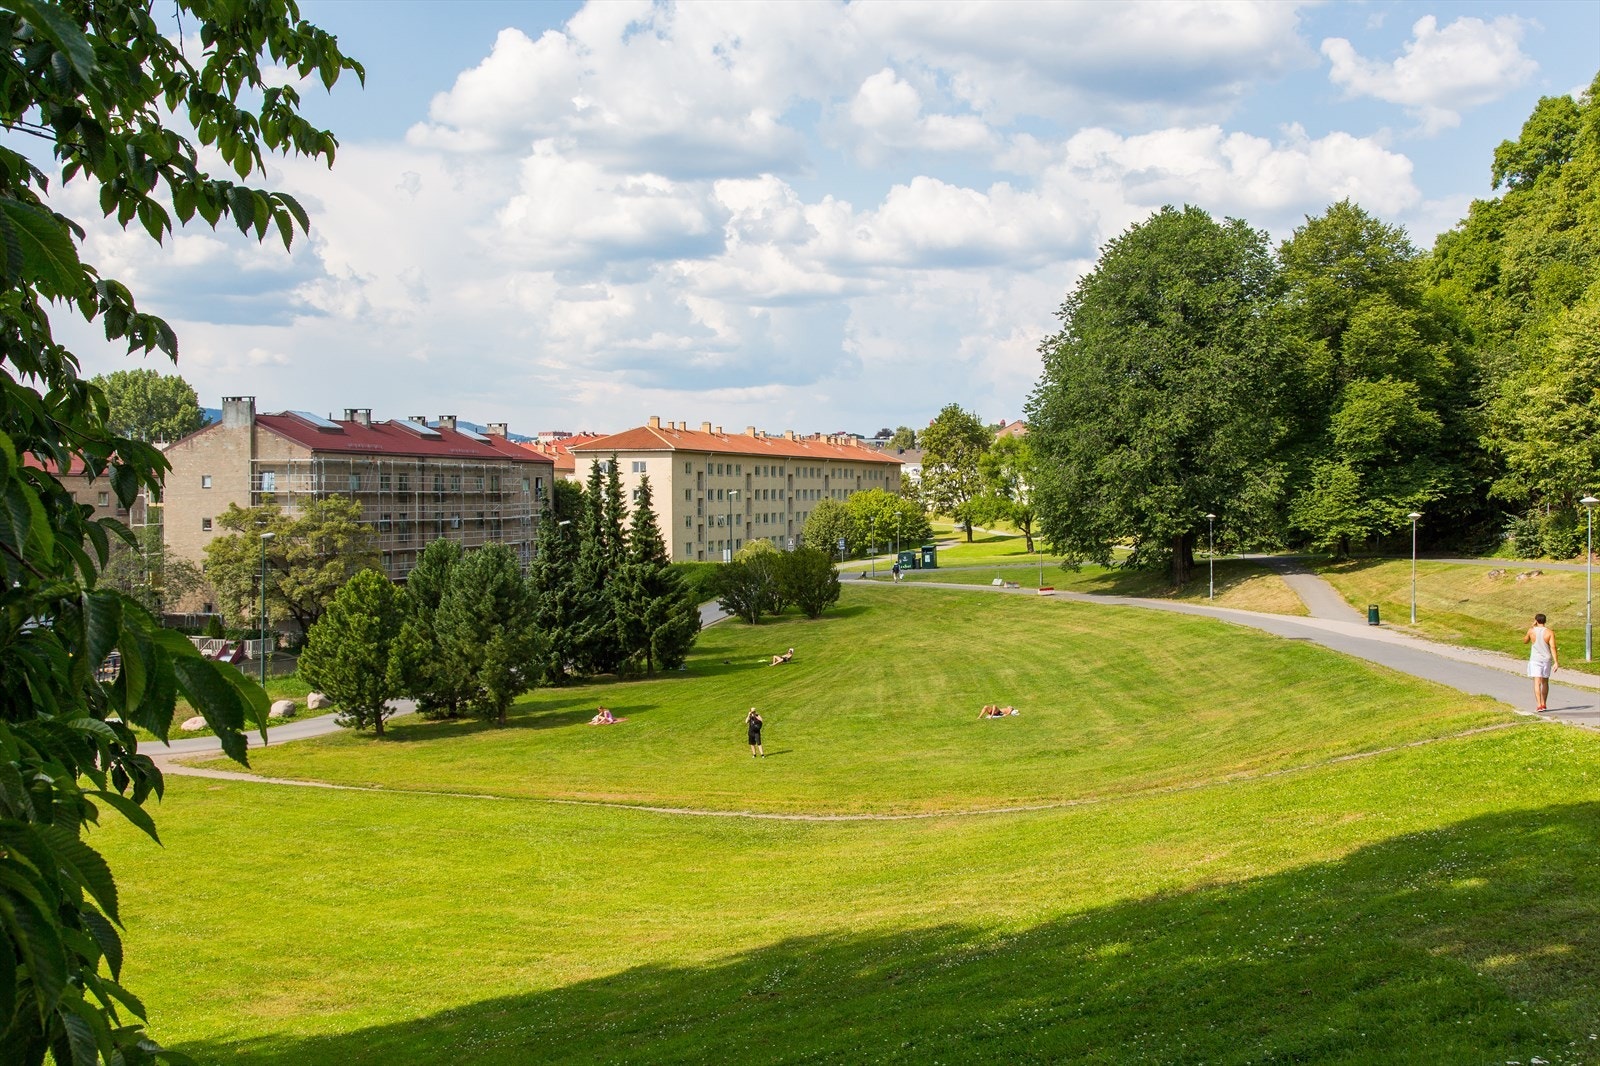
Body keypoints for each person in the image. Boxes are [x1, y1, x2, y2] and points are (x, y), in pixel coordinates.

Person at [1524, 613, 1558, 712]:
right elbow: (1553, 647)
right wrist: (1556, 661)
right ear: (1545, 621)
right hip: (1546, 659)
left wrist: (1531, 626)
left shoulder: (1531, 631)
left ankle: (1539, 704)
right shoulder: (1549, 632)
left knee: (1537, 682)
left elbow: (1525, 641)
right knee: (1545, 682)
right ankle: (1544, 703)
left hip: (1535, 659)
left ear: (1536, 620)